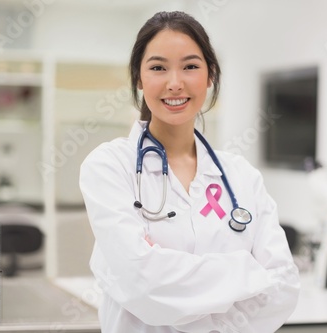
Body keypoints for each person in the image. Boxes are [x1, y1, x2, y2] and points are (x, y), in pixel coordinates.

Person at [79, 11, 300, 333]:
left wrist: (174, 281)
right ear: (139, 78)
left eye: (190, 66)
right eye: (157, 68)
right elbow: (143, 283)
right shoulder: (109, 166)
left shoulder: (242, 176)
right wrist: (247, 271)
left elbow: (283, 287)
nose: (174, 83)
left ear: (210, 75)